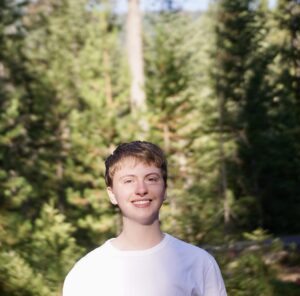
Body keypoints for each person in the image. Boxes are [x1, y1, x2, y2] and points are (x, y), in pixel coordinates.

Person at [63, 141, 227, 296]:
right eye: (128, 181)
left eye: (151, 179)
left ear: (165, 189)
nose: (141, 189)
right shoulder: (86, 272)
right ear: (112, 194)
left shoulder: (199, 263)